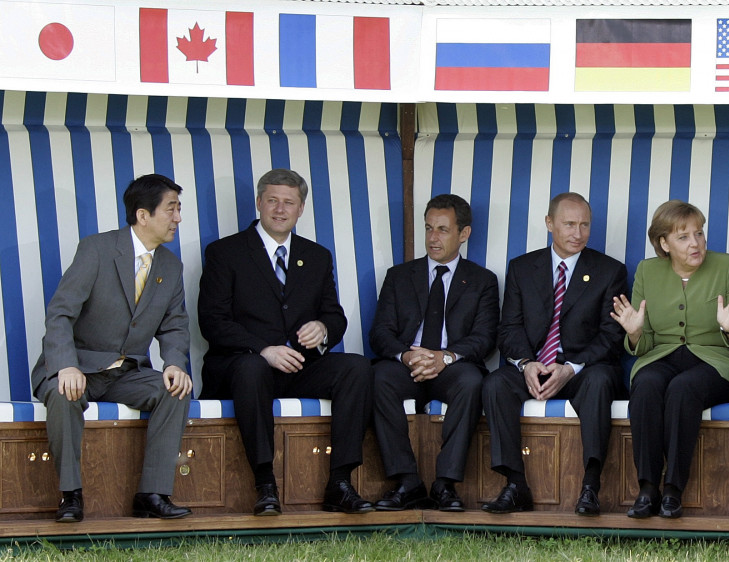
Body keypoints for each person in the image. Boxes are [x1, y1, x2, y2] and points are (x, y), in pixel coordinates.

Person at [198, 168, 374, 516]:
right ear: (259, 203)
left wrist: (323, 329)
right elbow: (212, 322)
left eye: (289, 203)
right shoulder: (224, 252)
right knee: (252, 368)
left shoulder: (318, 256)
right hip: (243, 366)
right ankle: (265, 484)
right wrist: (263, 350)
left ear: (301, 209)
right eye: (273, 201)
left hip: (300, 367)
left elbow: (335, 315)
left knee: (356, 366)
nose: (280, 209)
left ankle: (340, 482)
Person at [32, 174, 193, 522]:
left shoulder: (171, 265)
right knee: (63, 394)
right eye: (172, 209)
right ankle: (70, 496)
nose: (178, 218)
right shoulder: (97, 249)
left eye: (179, 209)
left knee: (176, 391)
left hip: (127, 373)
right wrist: (65, 366)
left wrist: (174, 364)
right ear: (143, 215)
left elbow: (175, 325)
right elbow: (60, 313)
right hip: (79, 367)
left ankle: (152, 494)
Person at [481, 193, 626, 516]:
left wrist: (571, 368)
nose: (578, 233)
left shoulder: (609, 270)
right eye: (569, 224)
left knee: (601, 381)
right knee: (494, 385)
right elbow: (509, 329)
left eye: (585, 225)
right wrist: (526, 364)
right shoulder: (521, 268)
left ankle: (590, 486)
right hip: (535, 365)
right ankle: (515, 484)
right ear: (549, 224)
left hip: (583, 368)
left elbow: (611, 335)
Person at [611, 200, 729, 519]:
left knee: (682, 389)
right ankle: (647, 489)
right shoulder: (647, 270)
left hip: (716, 360)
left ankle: (673, 490)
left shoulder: (727, 265)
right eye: (684, 237)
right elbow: (643, 343)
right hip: (662, 356)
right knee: (645, 385)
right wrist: (634, 333)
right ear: (663, 243)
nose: (696, 243)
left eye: (699, 234)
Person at [370, 194, 498, 512]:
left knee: (471, 382)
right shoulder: (399, 276)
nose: (432, 238)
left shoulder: (482, 281)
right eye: (428, 228)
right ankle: (407, 482)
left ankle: (445, 484)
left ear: (463, 234)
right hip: (407, 364)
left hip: (452, 366)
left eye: (442, 229)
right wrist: (406, 356)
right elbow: (380, 333)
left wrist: (445, 357)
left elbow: (485, 338)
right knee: (377, 377)